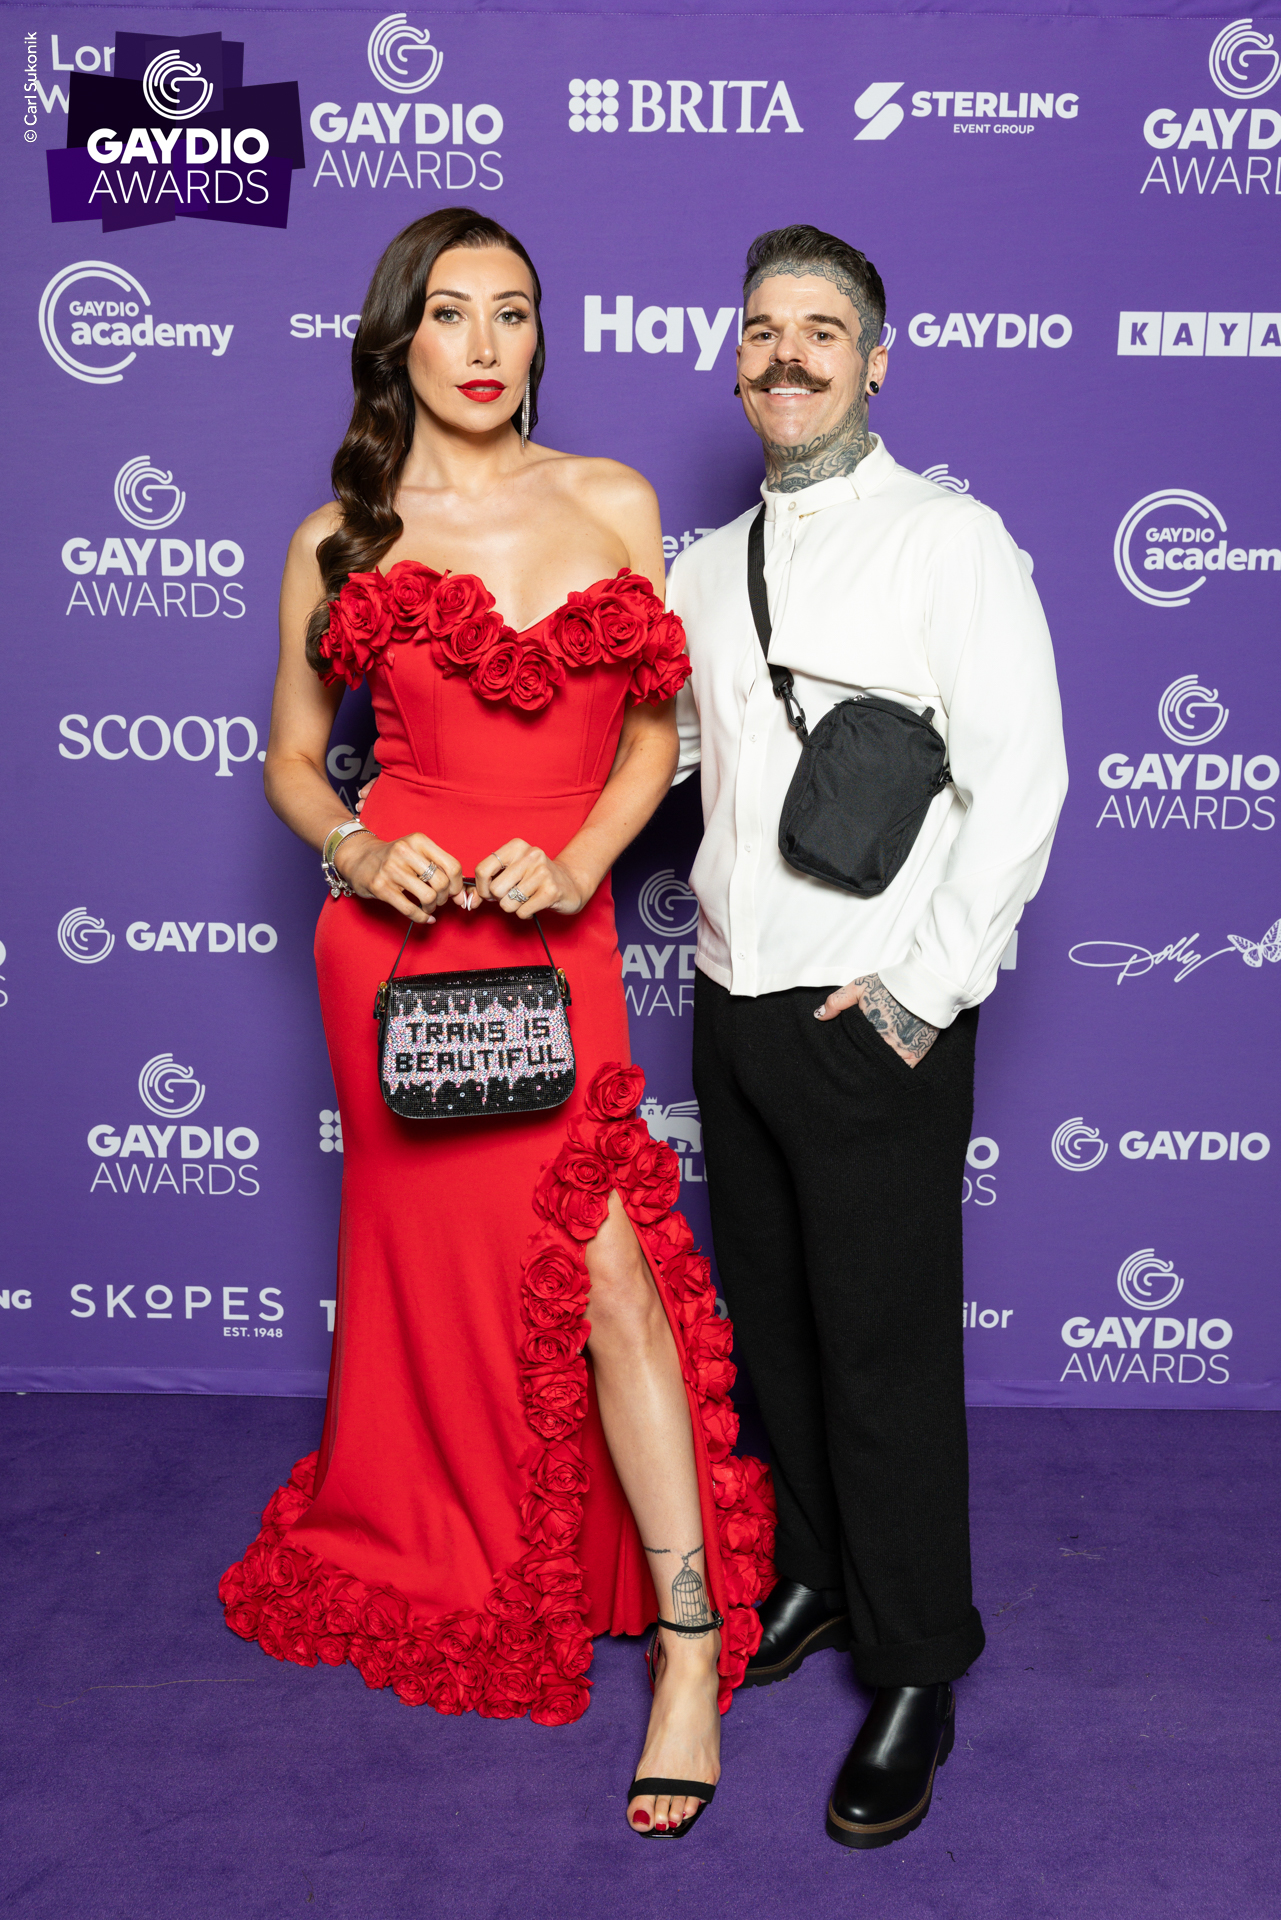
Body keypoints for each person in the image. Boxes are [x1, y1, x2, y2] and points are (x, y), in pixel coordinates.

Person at [217, 208, 774, 1841]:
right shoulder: (339, 536)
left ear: (540, 337)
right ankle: (470, 1536)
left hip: (554, 929)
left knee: (607, 1273)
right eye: (450, 312)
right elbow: (292, 760)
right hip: (397, 949)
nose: (482, 344)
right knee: (459, 1282)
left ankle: (685, 1648)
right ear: (398, 341)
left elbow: (655, 734)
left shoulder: (613, 500)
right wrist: (355, 848)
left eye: (511, 312)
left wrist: (582, 861)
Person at [669, 224, 1068, 1849]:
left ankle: (915, 1664)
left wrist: (926, 986)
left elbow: (1021, 775)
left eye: (821, 331)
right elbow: (662, 756)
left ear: (874, 361)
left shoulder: (948, 541)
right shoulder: (703, 566)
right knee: (772, 1328)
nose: (788, 356)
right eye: (762, 329)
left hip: (868, 1017)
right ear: (736, 361)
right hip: (729, 999)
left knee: (882, 1354)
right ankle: (819, 1577)